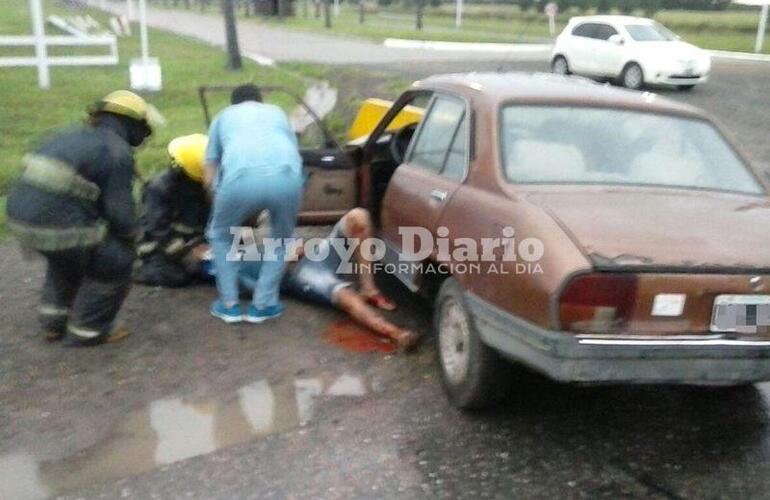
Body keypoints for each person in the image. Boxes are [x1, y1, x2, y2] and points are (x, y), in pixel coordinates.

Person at [6, 90, 163, 346]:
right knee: (116, 261)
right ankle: (88, 329)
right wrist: (135, 239)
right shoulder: (116, 151)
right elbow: (120, 216)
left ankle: (54, 323)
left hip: (19, 220)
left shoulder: (69, 136)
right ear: (132, 123)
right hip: (58, 227)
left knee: (68, 258)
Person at [237, 208, 419, 351]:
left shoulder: (267, 215)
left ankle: (368, 288)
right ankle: (397, 334)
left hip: (316, 252)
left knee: (358, 217)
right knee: (345, 297)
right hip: (300, 275)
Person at [205, 84, 303, 324]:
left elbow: (209, 174)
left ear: (233, 103)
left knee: (219, 236)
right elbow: (292, 150)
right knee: (280, 241)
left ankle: (229, 306)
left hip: (240, 178)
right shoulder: (277, 112)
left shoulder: (222, 117)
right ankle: (263, 305)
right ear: (260, 101)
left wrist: (219, 204)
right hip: (288, 177)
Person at [133, 134, 210, 287]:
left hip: (194, 243)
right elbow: (157, 229)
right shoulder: (158, 189)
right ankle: (137, 269)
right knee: (175, 277)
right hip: (160, 247)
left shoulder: (201, 186)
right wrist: (189, 252)